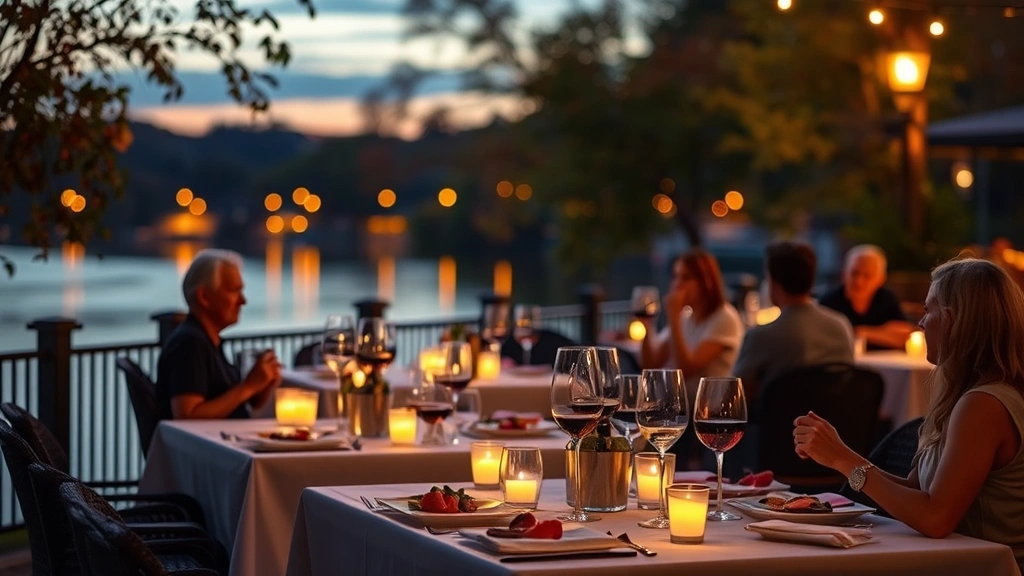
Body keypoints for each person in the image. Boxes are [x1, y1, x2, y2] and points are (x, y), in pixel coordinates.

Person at [794, 258, 1024, 571]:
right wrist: (840, 454)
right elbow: (918, 492)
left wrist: (843, 460)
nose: (920, 322)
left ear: (952, 319)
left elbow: (935, 518)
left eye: (928, 310)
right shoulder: (969, 396)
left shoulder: (985, 404)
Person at [157, 249, 281, 420]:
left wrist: (261, 385)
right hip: (206, 446)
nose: (243, 301)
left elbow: (233, 403)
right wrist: (247, 387)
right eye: (234, 291)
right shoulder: (190, 344)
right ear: (204, 297)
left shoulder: (208, 341)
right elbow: (187, 415)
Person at [732, 242, 854, 406]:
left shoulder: (762, 336)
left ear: (774, 283)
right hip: (831, 428)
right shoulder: (841, 326)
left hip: (778, 430)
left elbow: (735, 399)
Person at [639, 249, 745, 391]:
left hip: (710, 410)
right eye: (676, 276)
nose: (677, 284)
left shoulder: (724, 317)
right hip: (685, 408)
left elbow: (685, 371)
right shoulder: (686, 317)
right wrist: (647, 326)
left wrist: (674, 318)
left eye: (686, 278)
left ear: (706, 281)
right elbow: (651, 365)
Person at [819, 244, 917, 351]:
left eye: (867, 275)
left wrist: (860, 332)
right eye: (854, 273)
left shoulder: (886, 299)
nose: (859, 281)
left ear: (881, 279)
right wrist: (883, 333)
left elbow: (905, 335)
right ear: (844, 274)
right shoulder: (829, 302)